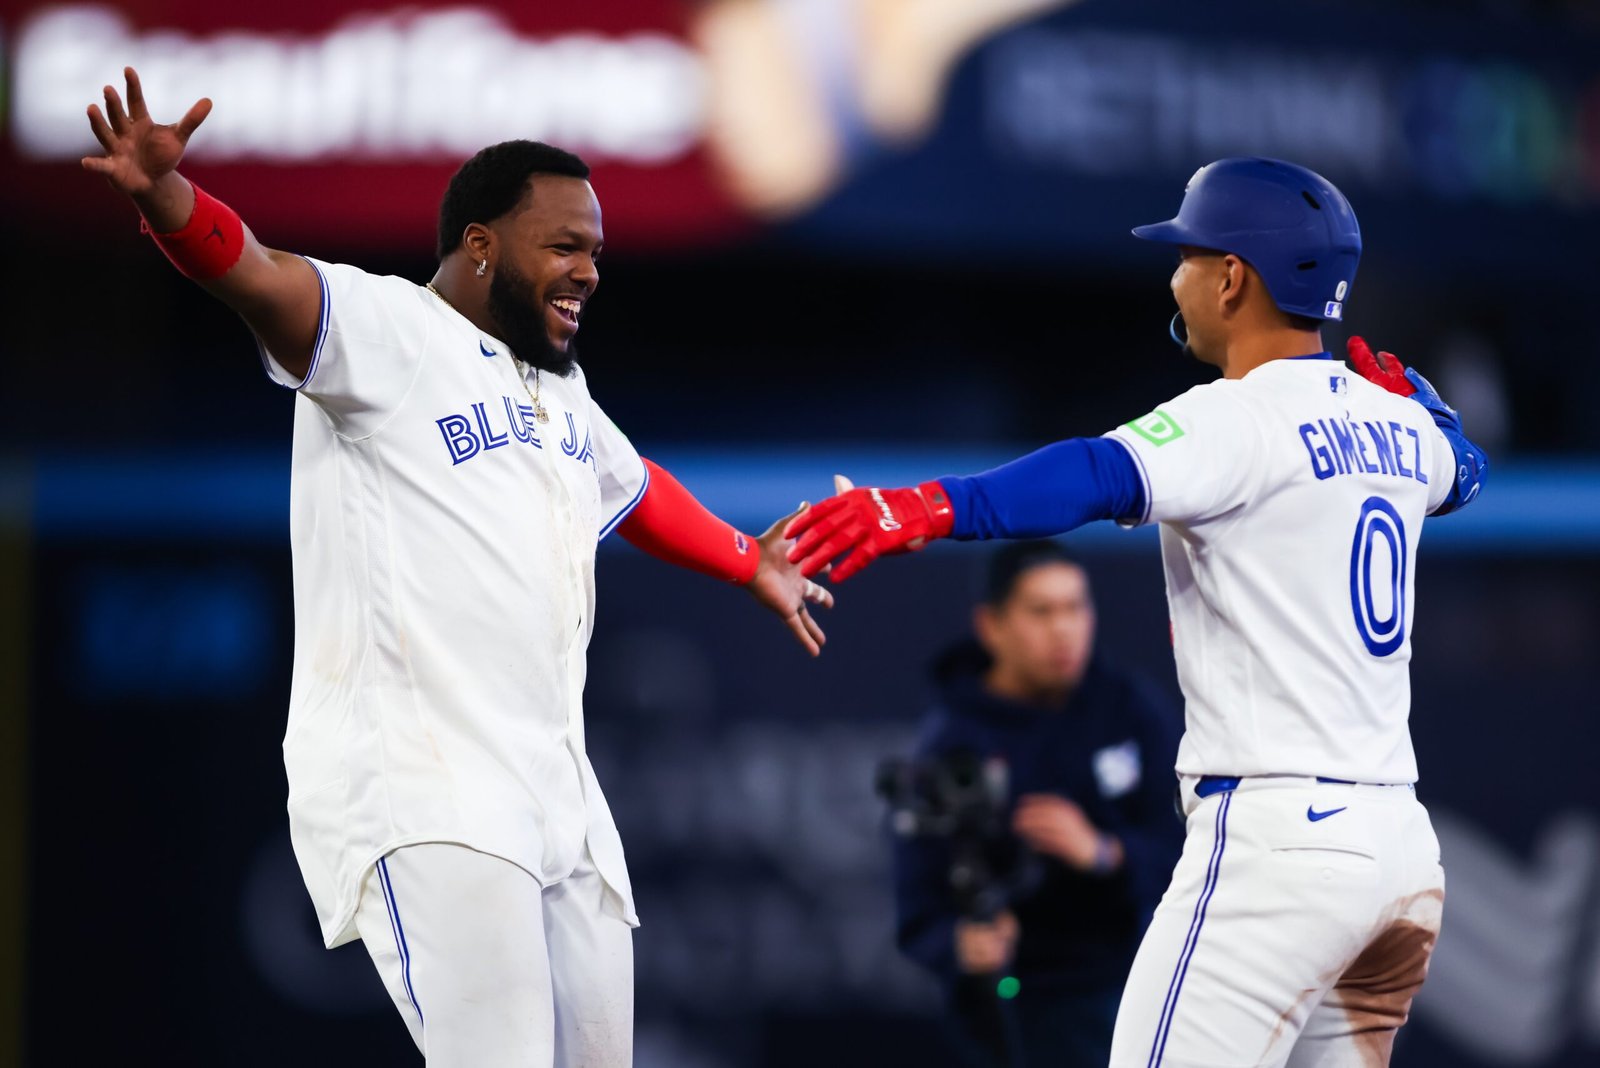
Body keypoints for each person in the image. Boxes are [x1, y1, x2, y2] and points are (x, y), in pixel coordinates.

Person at [82, 68, 832, 1065]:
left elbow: (633, 485)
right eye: (563, 246)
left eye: (595, 252)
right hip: (427, 785)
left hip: (559, 796)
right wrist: (167, 198)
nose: (588, 271)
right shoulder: (389, 331)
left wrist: (749, 560)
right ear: (481, 245)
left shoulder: (558, 389)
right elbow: (257, 274)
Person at [788, 158, 1488, 1066]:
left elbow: (1093, 473)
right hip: (1399, 849)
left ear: (1232, 278)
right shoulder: (1401, 428)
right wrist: (1434, 412)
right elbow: (1466, 471)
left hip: (1279, 844)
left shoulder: (1237, 417)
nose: (1175, 278)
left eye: (1188, 256)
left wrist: (923, 506)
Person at [892, 541, 1183, 1067]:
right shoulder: (951, 744)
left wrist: (1104, 852)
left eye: (1075, 607)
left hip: (1130, 985)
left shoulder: (1130, 710)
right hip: (1007, 1008)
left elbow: (1194, 851)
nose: (1063, 629)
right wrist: (960, 944)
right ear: (992, 626)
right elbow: (917, 905)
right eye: (1041, 611)